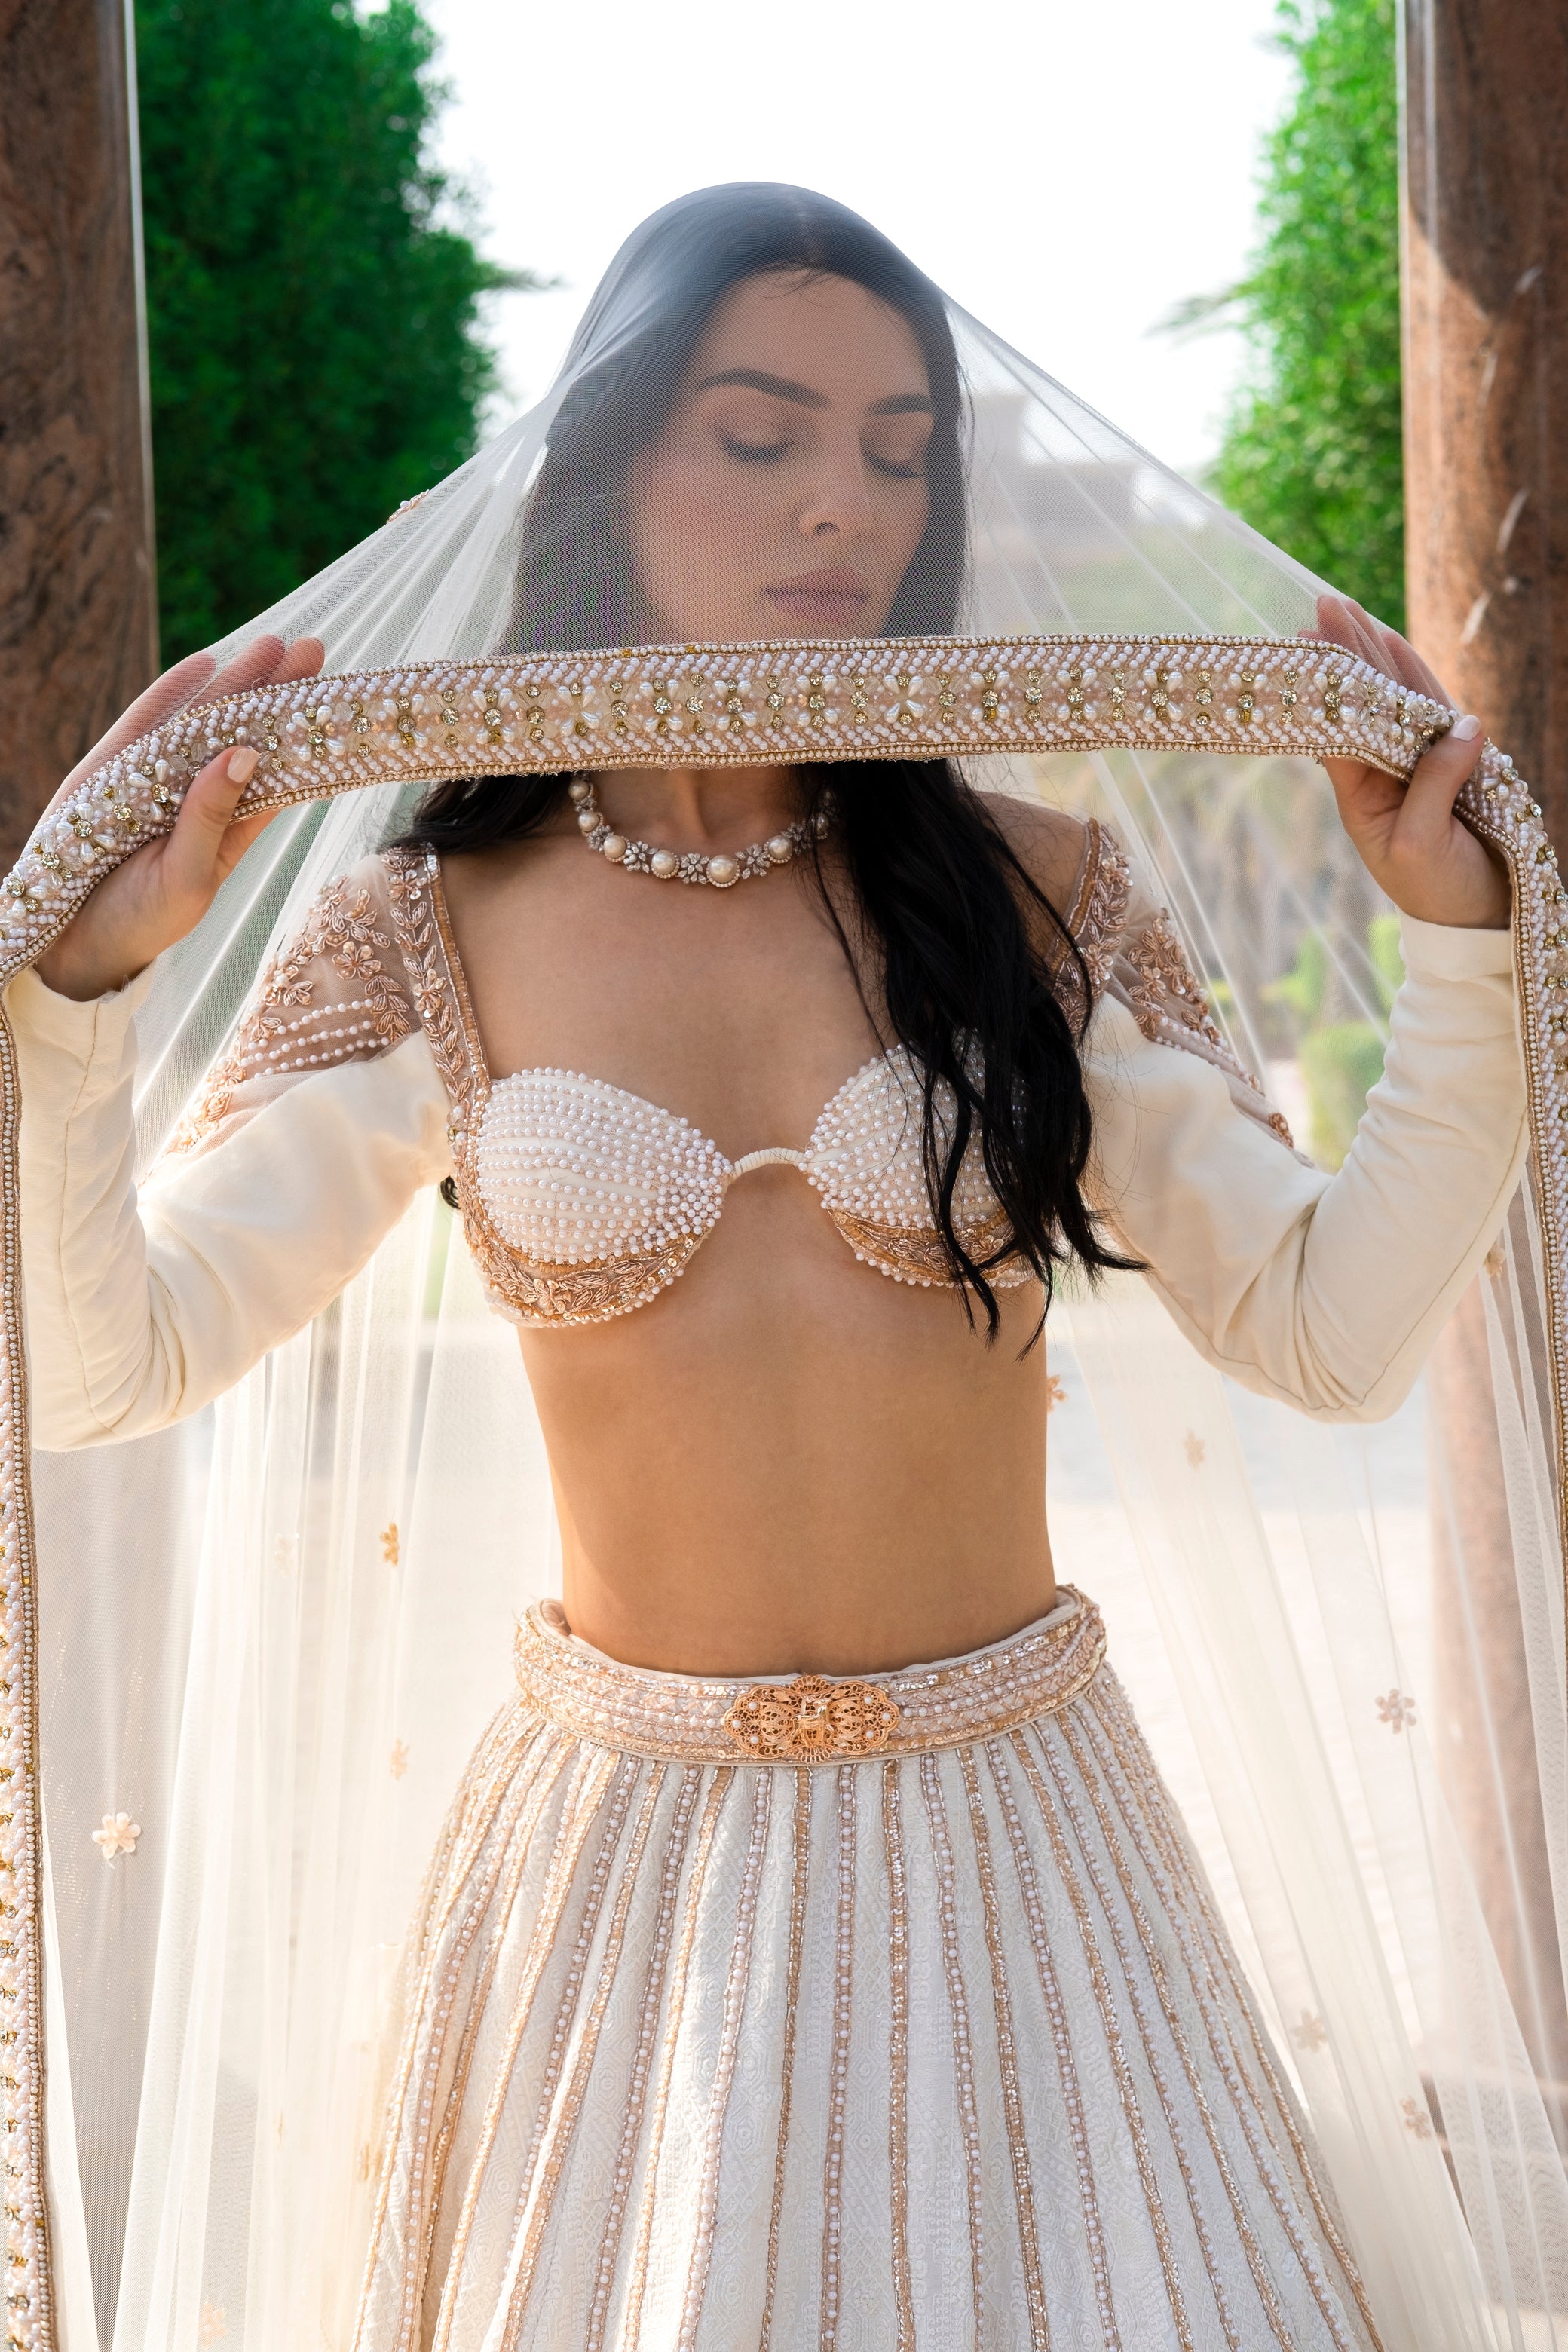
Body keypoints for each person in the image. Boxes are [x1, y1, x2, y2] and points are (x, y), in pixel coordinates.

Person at [5, 188, 1543, 2350]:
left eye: (900, 449)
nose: (845, 499)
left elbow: (1338, 1326)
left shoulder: (1034, 895)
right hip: (630, 1911)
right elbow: (106, 1362)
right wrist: (76, 1006)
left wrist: (1460, 946)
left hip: (1028, 1866)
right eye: (760, 434)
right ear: (606, 462)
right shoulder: (428, 925)